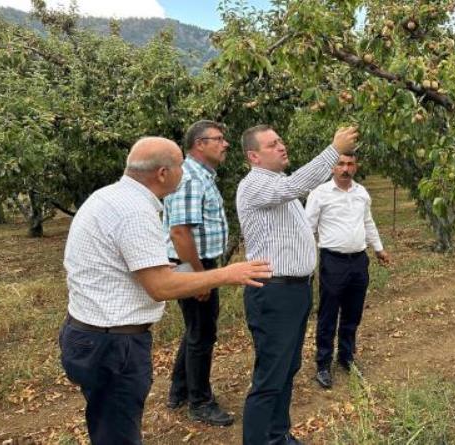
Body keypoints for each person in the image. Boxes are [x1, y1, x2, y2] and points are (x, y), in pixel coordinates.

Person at [59, 137, 272, 445]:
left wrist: (162, 266)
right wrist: (226, 274)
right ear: (162, 173)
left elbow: (117, 264)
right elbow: (160, 287)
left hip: (88, 333)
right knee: (117, 434)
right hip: (113, 345)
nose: (184, 172)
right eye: (180, 166)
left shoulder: (109, 197)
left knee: (108, 424)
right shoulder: (135, 212)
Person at [236, 125, 359, 445]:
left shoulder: (277, 184)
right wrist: (334, 150)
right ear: (254, 156)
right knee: (270, 376)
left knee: (287, 368)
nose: (281, 146)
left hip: (294, 290)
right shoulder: (255, 186)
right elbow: (295, 185)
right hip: (274, 292)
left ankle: (278, 436)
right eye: (272, 144)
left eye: (280, 140)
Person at [163, 120, 233, 426]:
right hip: (193, 263)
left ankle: (180, 391)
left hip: (197, 263)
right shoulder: (190, 177)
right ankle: (200, 402)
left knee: (197, 329)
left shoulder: (202, 176)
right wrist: (198, 274)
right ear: (199, 144)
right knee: (203, 334)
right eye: (218, 139)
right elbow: (180, 232)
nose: (225, 144)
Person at [305, 153, 390, 389]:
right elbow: (308, 229)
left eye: (350, 164)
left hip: (358, 261)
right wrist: (309, 262)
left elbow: (368, 222)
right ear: (332, 168)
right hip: (333, 262)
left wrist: (379, 249)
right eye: (341, 164)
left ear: (356, 167)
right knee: (328, 313)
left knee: (353, 314)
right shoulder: (319, 194)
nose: (345, 168)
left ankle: (346, 357)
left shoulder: (361, 192)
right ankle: (322, 363)